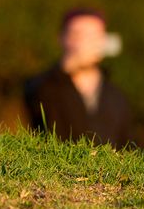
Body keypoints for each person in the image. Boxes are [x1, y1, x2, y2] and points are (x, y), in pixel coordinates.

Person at [24, 8, 132, 148]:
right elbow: (33, 104)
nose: (87, 42)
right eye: (79, 35)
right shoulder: (46, 86)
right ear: (62, 38)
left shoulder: (116, 96)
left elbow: (130, 144)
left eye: (95, 36)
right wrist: (65, 70)